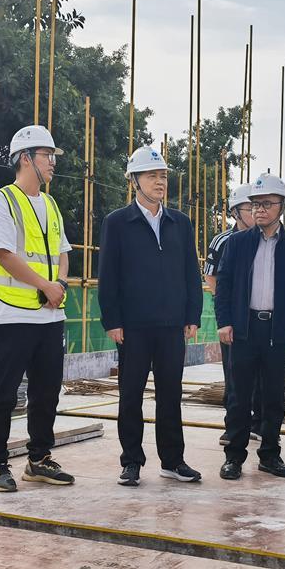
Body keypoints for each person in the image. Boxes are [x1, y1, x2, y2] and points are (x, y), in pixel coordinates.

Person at [98, 146, 203, 487]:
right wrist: (112, 320)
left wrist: (193, 314)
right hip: (133, 327)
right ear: (134, 181)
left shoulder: (180, 223)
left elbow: (191, 272)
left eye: (163, 176)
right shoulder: (117, 222)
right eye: (152, 176)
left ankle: (173, 461)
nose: (160, 182)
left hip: (172, 325)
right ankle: (131, 462)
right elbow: (108, 275)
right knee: (131, 396)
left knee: (171, 395)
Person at [0, 125, 74, 493]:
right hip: (13, 313)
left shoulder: (50, 204)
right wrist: (45, 286)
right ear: (25, 158)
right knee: (3, 393)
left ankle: (39, 459)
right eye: (46, 155)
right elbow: (4, 254)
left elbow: (63, 252)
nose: (52, 162)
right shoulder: (1, 201)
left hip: (50, 314)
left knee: (47, 392)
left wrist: (60, 284)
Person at [215, 172, 285, 481]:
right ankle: (234, 457)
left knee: (273, 397)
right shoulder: (237, 243)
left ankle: (270, 455)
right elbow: (224, 286)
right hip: (244, 330)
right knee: (238, 396)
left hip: (277, 331)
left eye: (267, 204)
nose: (260, 210)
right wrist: (224, 322)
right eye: (255, 204)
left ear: (282, 205)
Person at [204, 183, 262, 446]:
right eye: (250, 207)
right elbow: (211, 276)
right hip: (234, 319)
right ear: (236, 212)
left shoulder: (266, 238)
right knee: (234, 372)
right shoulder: (223, 241)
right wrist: (229, 306)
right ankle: (234, 426)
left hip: (261, 316)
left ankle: (259, 423)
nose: (256, 212)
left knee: (263, 373)